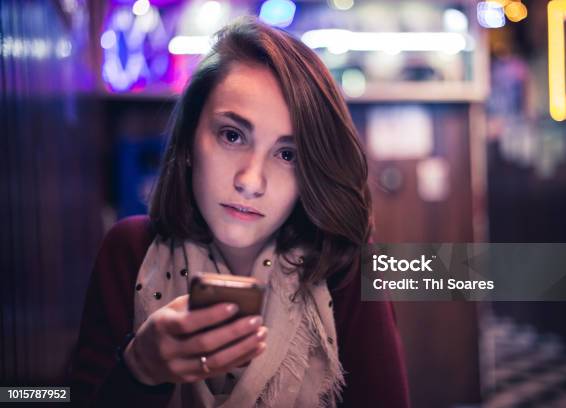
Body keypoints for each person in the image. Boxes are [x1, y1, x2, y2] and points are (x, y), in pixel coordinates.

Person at [69, 17, 410, 407]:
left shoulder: (342, 266)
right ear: (188, 144)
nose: (251, 181)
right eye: (232, 135)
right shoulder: (129, 250)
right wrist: (140, 370)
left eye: (287, 154)